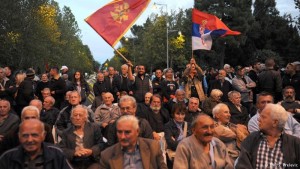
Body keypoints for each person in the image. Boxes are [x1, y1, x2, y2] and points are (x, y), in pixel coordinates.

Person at [236, 104, 300, 168]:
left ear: (275, 122)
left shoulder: (295, 143)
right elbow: (242, 165)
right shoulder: (251, 139)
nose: (258, 119)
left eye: (263, 117)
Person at [100, 115, 167, 169]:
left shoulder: (153, 147)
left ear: (137, 132)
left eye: (127, 132)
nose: (122, 136)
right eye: (119, 132)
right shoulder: (106, 155)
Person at [0, 119, 73, 169]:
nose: (30, 140)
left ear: (43, 136)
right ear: (19, 136)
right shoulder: (7, 157)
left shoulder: (56, 154)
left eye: (34, 135)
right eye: (25, 135)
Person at [164, 103, 191, 168]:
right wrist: (185, 143)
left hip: (187, 155)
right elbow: (171, 144)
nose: (180, 116)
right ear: (173, 114)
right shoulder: (168, 126)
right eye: (178, 114)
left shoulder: (189, 125)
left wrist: (176, 141)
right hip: (174, 156)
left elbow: (192, 142)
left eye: (182, 114)